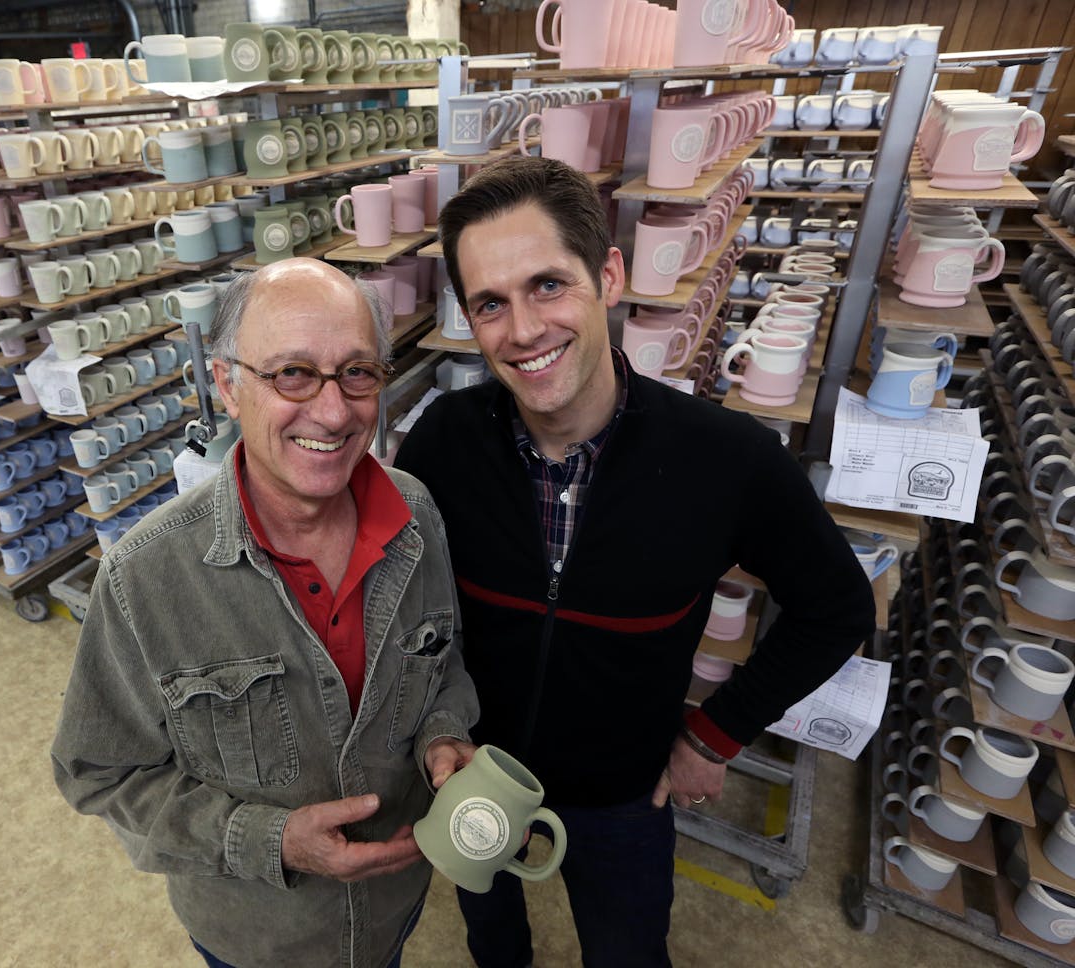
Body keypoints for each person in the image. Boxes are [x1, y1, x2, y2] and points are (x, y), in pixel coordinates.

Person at [394, 156, 873, 967]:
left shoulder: (727, 460)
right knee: (493, 939)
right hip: (474, 769)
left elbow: (837, 608)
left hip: (623, 795)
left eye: (548, 285)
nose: (522, 329)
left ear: (608, 275)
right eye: (489, 303)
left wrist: (714, 736)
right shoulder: (445, 439)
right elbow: (408, 601)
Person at [51, 259, 479, 968]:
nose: (335, 411)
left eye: (357, 373)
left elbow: (443, 664)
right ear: (227, 384)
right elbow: (100, 771)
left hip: (393, 908)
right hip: (257, 941)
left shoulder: (416, 516)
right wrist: (269, 839)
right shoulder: (146, 579)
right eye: (292, 374)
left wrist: (442, 734)